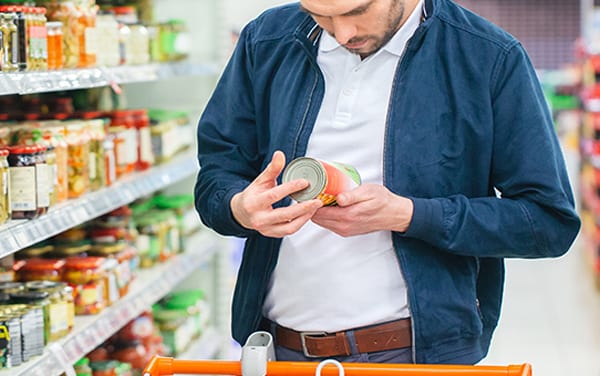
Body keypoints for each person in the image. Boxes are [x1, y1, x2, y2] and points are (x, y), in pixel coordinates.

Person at [194, 0, 581, 365]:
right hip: (278, 351)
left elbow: (546, 222)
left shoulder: (487, 57)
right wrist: (238, 207)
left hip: (414, 355)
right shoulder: (267, 40)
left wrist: (409, 215)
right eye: (320, 16)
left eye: (357, 12)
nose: (342, 33)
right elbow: (216, 174)